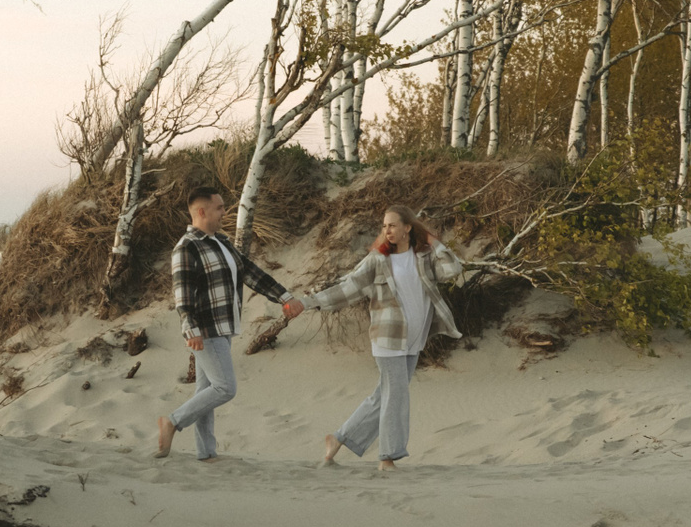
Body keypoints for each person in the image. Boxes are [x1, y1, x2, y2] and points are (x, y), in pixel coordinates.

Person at [299, 205, 464, 470]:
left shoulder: (423, 257)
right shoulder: (378, 260)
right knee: (396, 395)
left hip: (412, 339)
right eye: (384, 226)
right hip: (388, 338)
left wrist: (433, 241)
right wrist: (307, 303)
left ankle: (338, 438)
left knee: (384, 394)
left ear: (407, 227)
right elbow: (348, 288)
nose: (387, 230)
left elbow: (452, 269)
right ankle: (387, 457)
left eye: (392, 225)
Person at [157, 186, 303, 461]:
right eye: (219, 208)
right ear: (202, 212)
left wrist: (284, 297)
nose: (225, 212)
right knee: (225, 388)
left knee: (205, 391)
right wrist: (190, 330)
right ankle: (172, 421)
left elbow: (251, 273)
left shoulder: (222, 242)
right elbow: (182, 295)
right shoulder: (186, 247)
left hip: (224, 327)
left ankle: (206, 452)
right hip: (205, 329)